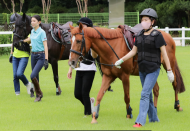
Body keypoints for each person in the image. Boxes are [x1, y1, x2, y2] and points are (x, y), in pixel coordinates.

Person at [114, 8, 174, 127]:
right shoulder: (139, 35)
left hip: (153, 69)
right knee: (149, 96)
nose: (143, 22)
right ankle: (154, 118)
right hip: (142, 70)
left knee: (144, 94)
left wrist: (169, 71)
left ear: (152, 22)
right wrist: (120, 60)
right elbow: (133, 52)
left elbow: (165, 54)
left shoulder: (157, 35)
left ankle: (140, 121)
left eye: (146, 20)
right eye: (142, 20)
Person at [67, 17, 97, 117]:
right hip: (79, 68)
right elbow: (73, 53)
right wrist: (70, 68)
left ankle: (88, 113)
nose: (80, 28)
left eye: (83, 26)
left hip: (90, 68)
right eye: (80, 26)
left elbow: (95, 56)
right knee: (77, 94)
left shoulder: (92, 39)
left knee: (84, 92)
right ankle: (90, 103)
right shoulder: (78, 37)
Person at [21, 15, 49, 102]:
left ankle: (39, 93)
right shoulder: (32, 31)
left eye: (34, 21)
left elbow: (45, 46)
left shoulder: (42, 32)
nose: (32, 22)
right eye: (31, 21)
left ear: (39, 22)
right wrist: (22, 41)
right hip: (33, 56)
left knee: (32, 75)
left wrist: (46, 59)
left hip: (41, 56)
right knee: (35, 76)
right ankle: (38, 96)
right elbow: (30, 39)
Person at [9, 13, 32, 95]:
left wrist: (23, 40)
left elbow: (30, 39)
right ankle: (17, 93)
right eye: (13, 24)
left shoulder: (25, 29)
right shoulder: (15, 32)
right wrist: (11, 54)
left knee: (19, 73)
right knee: (15, 75)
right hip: (15, 55)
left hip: (24, 55)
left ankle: (28, 84)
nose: (14, 25)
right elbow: (13, 43)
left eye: (14, 23)